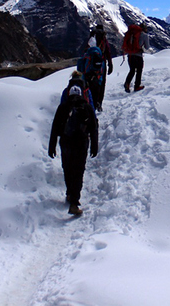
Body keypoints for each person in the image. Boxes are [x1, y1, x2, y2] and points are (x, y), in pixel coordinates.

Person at [49, 85, 99, 216]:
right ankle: (74, 202)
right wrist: (94, 145)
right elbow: (93, 127)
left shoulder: (63, 107)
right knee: (78, 171)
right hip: (81, 142)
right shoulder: (87, 107)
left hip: (66, 142)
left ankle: (70, 193)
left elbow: (55, 127)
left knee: (68, 168)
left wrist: (52, 146)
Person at [88, 24, 113, 110]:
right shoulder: (103, 38)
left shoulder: (91, 37)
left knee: (90, 82)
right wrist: (110, 64)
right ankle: (99, 103)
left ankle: (90, 101)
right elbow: (108, 51)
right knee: (101, 83)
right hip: (101, 63)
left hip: (90, 63)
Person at [122, 22, 150, 93]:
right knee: (139, 71)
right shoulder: (144, 35)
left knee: (132, 70)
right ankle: (137, 86)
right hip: (138, 55)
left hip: (130, 55)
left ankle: (127, 83)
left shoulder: (131, 34)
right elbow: (147, 47)